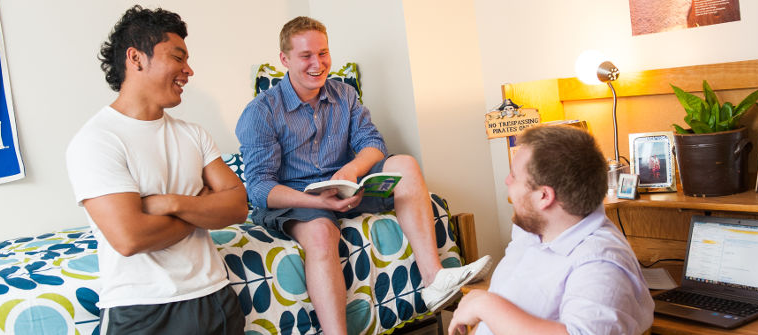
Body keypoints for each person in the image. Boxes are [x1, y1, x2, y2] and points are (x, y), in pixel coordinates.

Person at [235, 16, 491, 335]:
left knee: (406, 165)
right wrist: (320, 203)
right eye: (306, 56)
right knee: (320, 235)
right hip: (295, 198)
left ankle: (433, 280)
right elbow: (259, 188)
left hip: (346, 187)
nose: (318, 63)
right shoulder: (261, 111)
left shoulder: (344, 94)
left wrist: (351, 170)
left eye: (323, 53)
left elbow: (372, 144)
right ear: (284, 60)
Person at [66, 6, 247, 334]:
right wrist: (202, 204)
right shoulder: (96, 141)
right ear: (136, 58)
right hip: (142, 310)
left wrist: (172, 203)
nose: (188, 70)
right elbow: (130, 237)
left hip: (215, 298)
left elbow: (237, 206)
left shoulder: (194, 134)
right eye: (178, 57)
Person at [448, 125, 654, 335]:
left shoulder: (601, 263)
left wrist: (485, 306)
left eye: (513, 175)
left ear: (544, 196)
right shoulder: (532, 227)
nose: (507, 181)